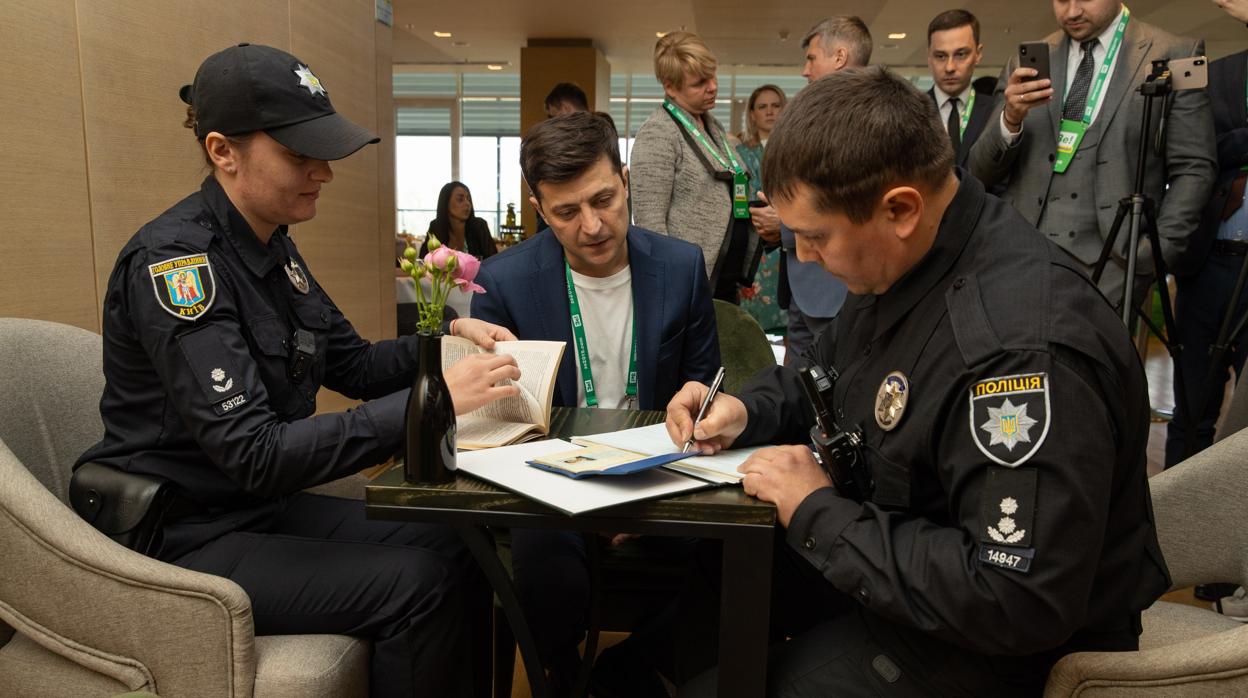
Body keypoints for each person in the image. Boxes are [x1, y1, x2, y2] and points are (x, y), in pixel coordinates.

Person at [667, 66, 1169, 696]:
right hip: (901, 561)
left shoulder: (1019, 351)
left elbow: (1016, 598)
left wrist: (818, 511)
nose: (803, 257)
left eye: (816, 237)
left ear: (899, 208)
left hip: (998, 641)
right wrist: (743, 409)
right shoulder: (903, 261)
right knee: (720, 571)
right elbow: (824, 373)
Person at [74, 43, 524, 698]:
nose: (323, 173)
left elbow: (355, 363)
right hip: (185, 535)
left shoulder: (273, 247)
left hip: (255, 511)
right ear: (223, 151)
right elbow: (254, 454)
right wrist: (433, 400)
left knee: (461, 539)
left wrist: (445, 335)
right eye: (298, 155)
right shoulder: (176, 266)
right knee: (416, 585)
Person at [471, 111, 720, 694]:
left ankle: (631, 665)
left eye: (604, 199)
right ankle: (560, 669)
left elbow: (705, 390)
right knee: (541, 556)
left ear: (626, 179)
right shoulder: (504, 282)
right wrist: (586, 493)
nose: (592, 226)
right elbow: (502, 424)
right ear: (539, 209)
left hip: (660, 468)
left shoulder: (681, 267)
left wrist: (640, 483)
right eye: (566, 212)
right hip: (550, 477)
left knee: (728, 550)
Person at [968, 0, 1215, 307]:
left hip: (1116, 267)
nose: (1071, 12)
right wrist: (1010, 119)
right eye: (1061, 0)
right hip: (1022, 258)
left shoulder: (1174, 54)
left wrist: (1156, 252)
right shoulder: (1027, 62)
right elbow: (978, 171)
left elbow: (1194, 168)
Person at [630, 31, 763, 304]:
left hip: (723, 283)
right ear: (670, 87)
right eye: (700, 83)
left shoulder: (713, 125)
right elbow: (650, 226)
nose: (713, 86)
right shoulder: (658, 133)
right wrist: (670, 286)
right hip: (687, 287)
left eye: (713, 76)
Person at [1165, 38, 1248, 468]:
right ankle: (1171, 516)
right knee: (1192, 409)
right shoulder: (1219, 73)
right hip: (1208, 264)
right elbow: (1199, 153)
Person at [773, 17, 872, 366]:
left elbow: (847, 200)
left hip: (837, 284)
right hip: (807, 284)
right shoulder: (818, 113)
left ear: (840, 56)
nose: (805, 70)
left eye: (812, 58)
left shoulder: (868, 118)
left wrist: (784, 221)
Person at [736, 85, 789, 334]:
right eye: (762, 107)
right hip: (754, 245)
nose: (770, 112)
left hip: (790, 242)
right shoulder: (739, 153)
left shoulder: (795, 148)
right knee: (751, 328)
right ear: (752, 113)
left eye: (776, 105)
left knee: (795, 328)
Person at [926, 9, 992, 167]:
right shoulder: (911, 112)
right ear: (929, 57)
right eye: (940, 56)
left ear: (978, 54)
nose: (950, 67)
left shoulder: (996, 111)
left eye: (960, 54)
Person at [418, 181, 499, 260]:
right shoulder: (436, 226)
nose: (467, 204)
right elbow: (424, 260)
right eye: (460, 199)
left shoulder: (479, 226)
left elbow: (494, 261)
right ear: (446, 203)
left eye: (468, 199)